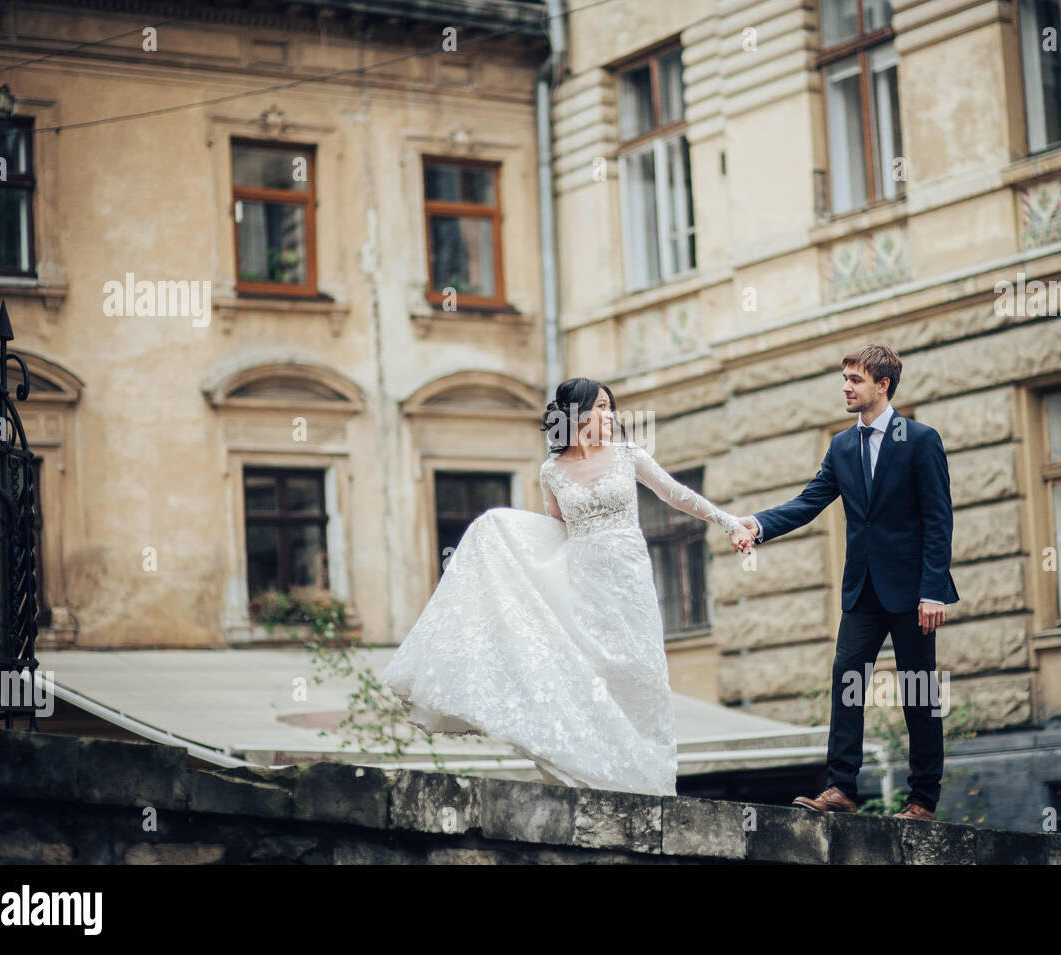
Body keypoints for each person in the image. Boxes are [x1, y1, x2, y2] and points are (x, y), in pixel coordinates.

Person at [381, 377, 745, 797]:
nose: (610, 416)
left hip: (628, 582)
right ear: (577, 414)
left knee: (639, 676)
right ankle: (594, 769)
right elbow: (553, 531)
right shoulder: (551, 471)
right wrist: (498, 533)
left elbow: (676, 495)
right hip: (581, 583)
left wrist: (729, 522)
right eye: (602, 407)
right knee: (589, 674)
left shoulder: (628, 456)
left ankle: (651, 780)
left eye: (612, 408)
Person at [730, 343, 959, 821]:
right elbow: (809, 501)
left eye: (855, 380)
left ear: (883, 385)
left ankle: (922, 801)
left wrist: (934, 589)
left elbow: (939, 519)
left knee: (918, 691)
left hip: (915, 591)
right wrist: (758, 523)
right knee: (846, 676)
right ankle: (841, 789)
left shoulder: (919, 440)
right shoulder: (840, 446)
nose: (846, 387)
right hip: (863, 590)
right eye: (845, 378)